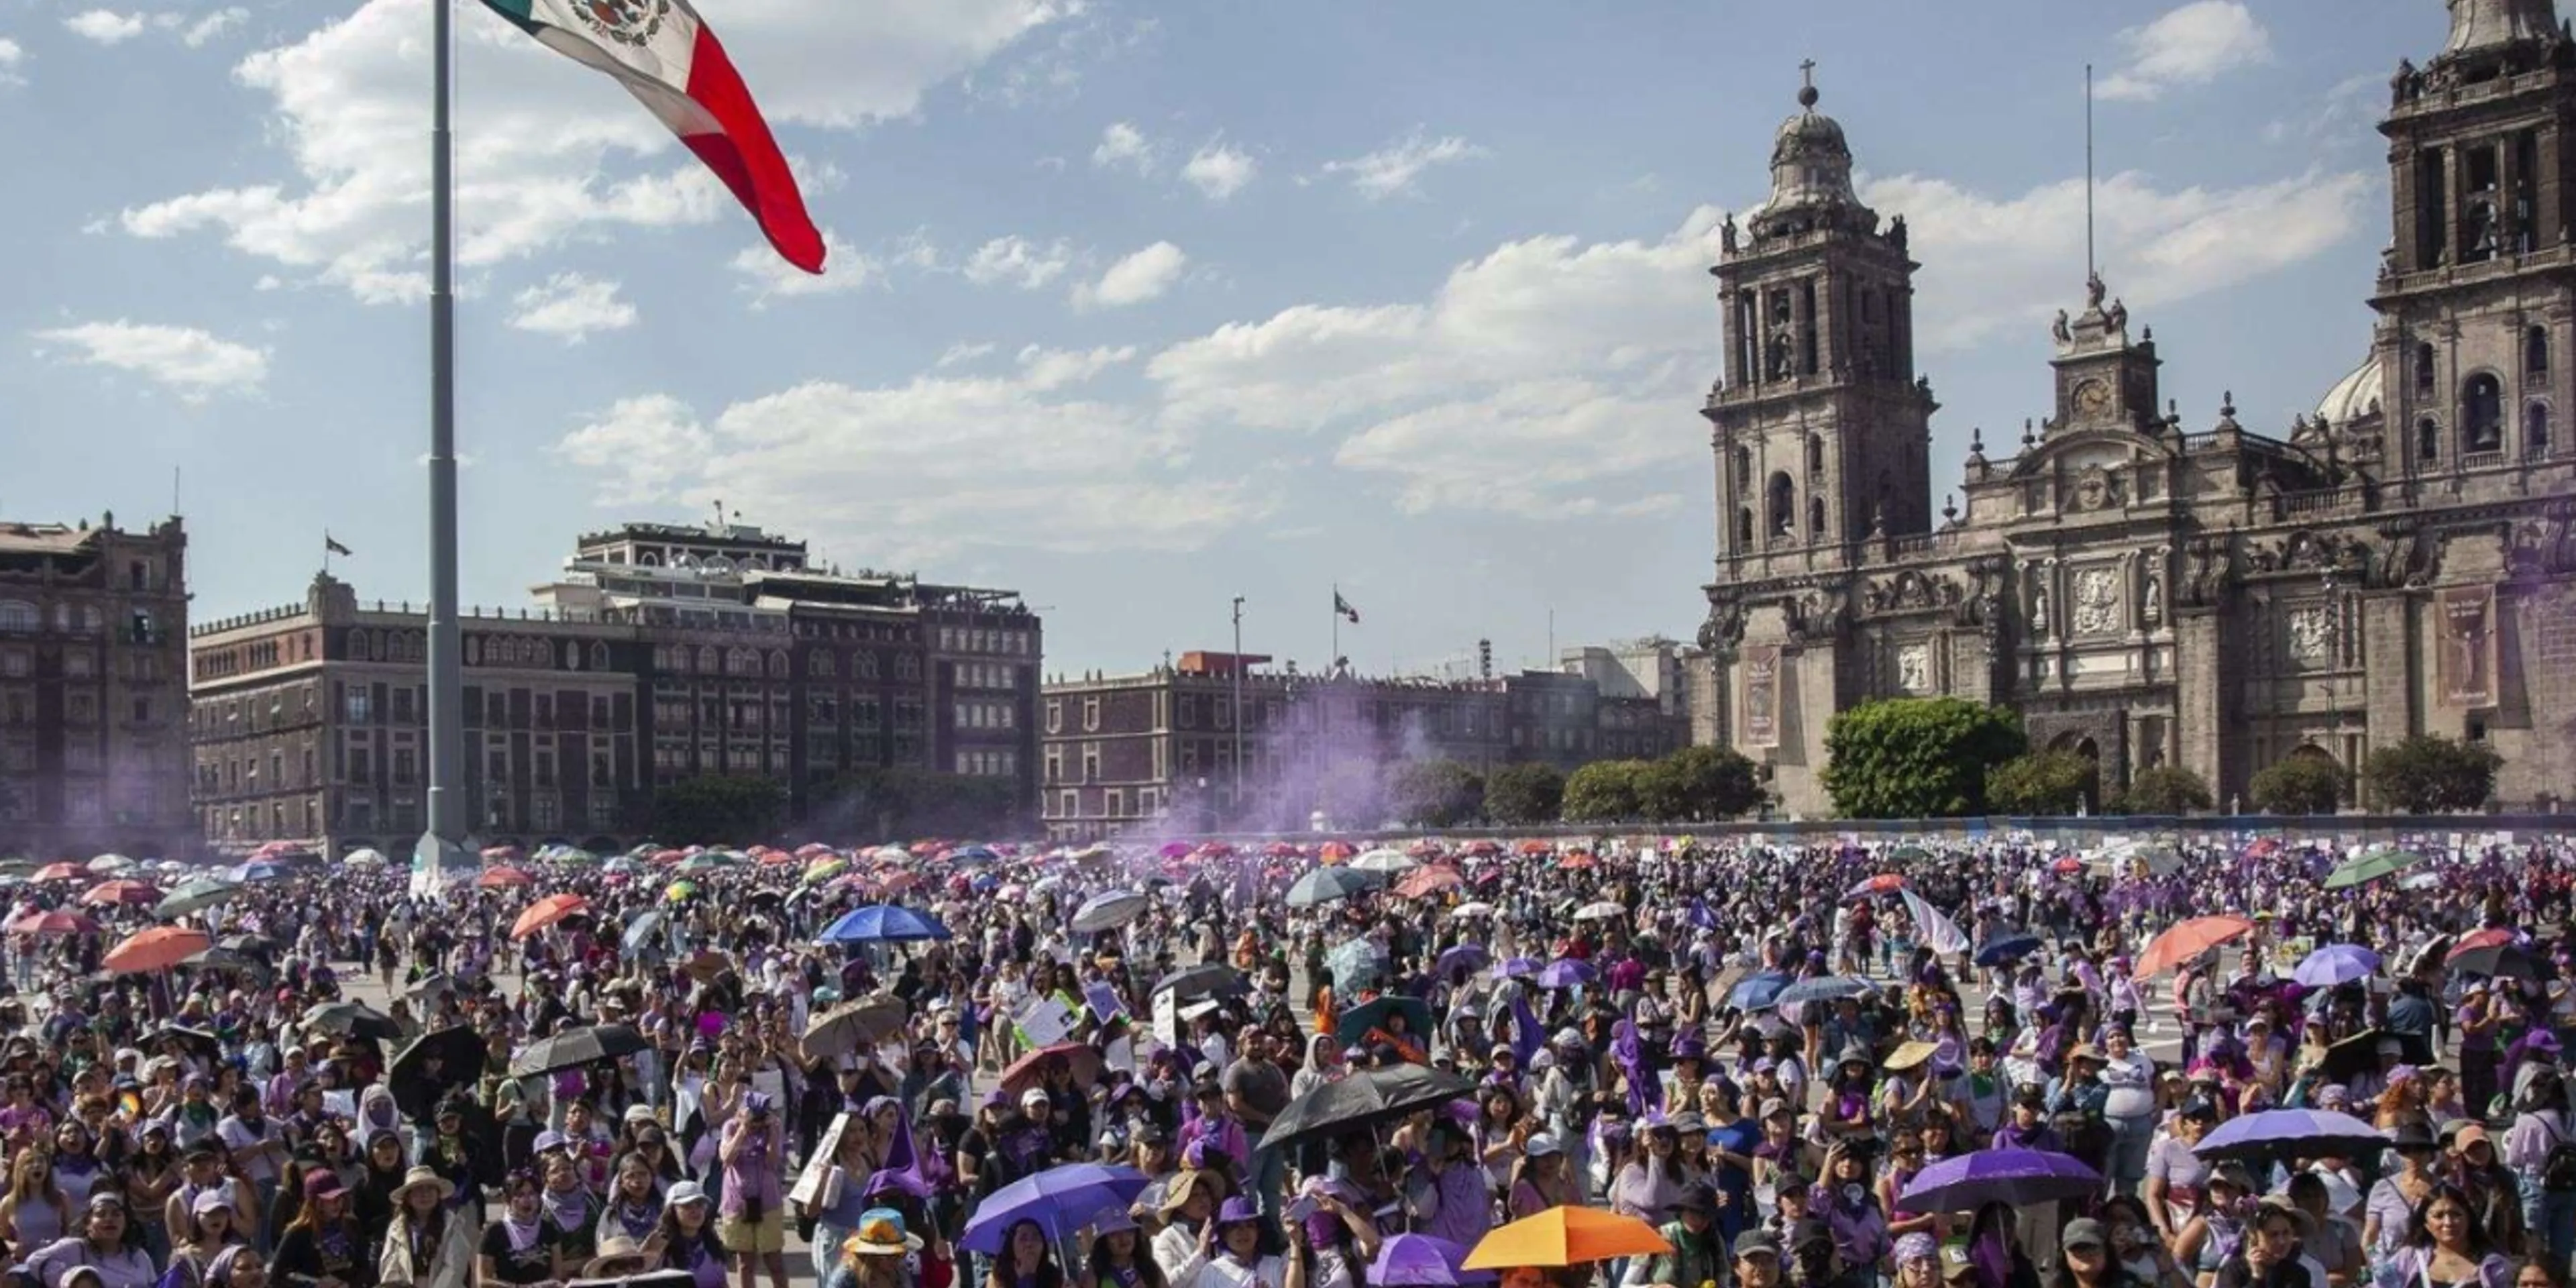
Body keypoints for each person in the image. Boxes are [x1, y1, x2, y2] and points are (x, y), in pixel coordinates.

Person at [2371, 1185, 2512, 1288]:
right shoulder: (2408, 1259)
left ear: (2468, 1219)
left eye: (2456, 1214)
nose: (2448, 1223)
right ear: (2426, 1224)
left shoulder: (2494, 1266)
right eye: (2438, 1216)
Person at [25, 1193, 158, 1288]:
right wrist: (71, 1279)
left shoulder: (139, 1256)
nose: (109, 1219)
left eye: (116, 1214)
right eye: (101, 1214)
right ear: (88, 1224)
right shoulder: (75, 1248)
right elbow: (34, 1261)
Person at [270, 1170, 373, 1288]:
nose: (338, 1203)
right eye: (331, 1199)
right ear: (316, 1202)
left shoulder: (351, 1225)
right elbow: (277, 1276)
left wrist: (348, 1284)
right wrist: (314, 1284)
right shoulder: (298, 1232)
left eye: (340, 1197)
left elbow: (365, 1267)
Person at [376, 1168, 471, 1288]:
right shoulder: (396, 1227)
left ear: (438, 1194)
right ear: (408, 1197)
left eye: (430, 1189)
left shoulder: (453, 1223)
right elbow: (390, 1265)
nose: (425, 1195)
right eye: (418, 1189)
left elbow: (455, 1265)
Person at [474, 1172, 562, 1288]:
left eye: (532, 1194)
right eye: (519, 1195)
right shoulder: (494, 1232)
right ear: (507, 1199)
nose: (527, 1200)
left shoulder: (548, 1228)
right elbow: (483, 1281)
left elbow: (557, 1273)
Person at [1646, 1183, 1727, 1288]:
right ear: (1681, 1211)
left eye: (1705, 1214)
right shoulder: (1658, 1236)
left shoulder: (1714, 1240)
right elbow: (1626, 1285)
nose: (1699, 1220)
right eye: (1693, 1212)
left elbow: (1724, 1281)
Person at [650, 1182, 730, 1288]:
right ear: (672, 1211)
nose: (695, 1211)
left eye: (700, 1204)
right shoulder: (660, 1246)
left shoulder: (712, 1242)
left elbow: (723, 1283)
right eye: (687, 1206)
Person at [1079, 1210, 1164, 1288]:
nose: (1123, 1238)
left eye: (1128, 1230)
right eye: (1114, 1234)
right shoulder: (1095, 1274)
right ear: (1104, 1241)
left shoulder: (1149, 1266)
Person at [985, 1221, 1064, 1288]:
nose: (1029, 1244)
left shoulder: (1053, 1276)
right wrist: (1025, 1279)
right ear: (1012, 1246)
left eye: (1035, 1237)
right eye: (1023, 1238)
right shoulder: (998, 1279)